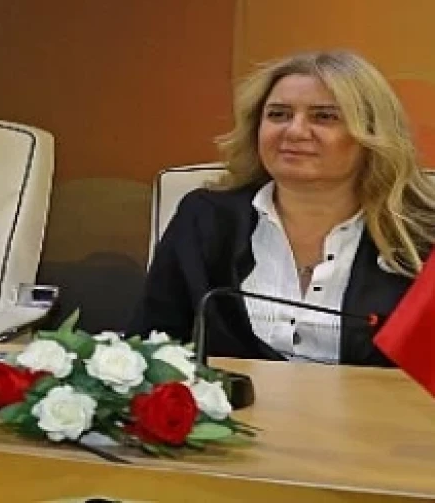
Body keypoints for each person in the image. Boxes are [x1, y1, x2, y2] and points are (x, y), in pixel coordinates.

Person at [130, 50, 435, 365]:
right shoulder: (206, 218)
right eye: (278, 115)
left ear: (371, 134)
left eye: (324, 116)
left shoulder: (423, 235)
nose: (295, 131)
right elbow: (149, 347)